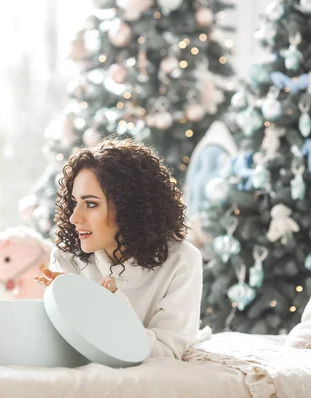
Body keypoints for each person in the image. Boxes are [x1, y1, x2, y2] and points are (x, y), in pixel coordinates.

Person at [35, 139, 203, 360]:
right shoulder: (66, 259)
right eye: (75, 203)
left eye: (91, 204)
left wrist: (110, 307)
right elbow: (61, 350)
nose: (75, 217)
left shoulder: (181, 261)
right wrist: (64, 302)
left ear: (129, 208)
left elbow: (166, 354)